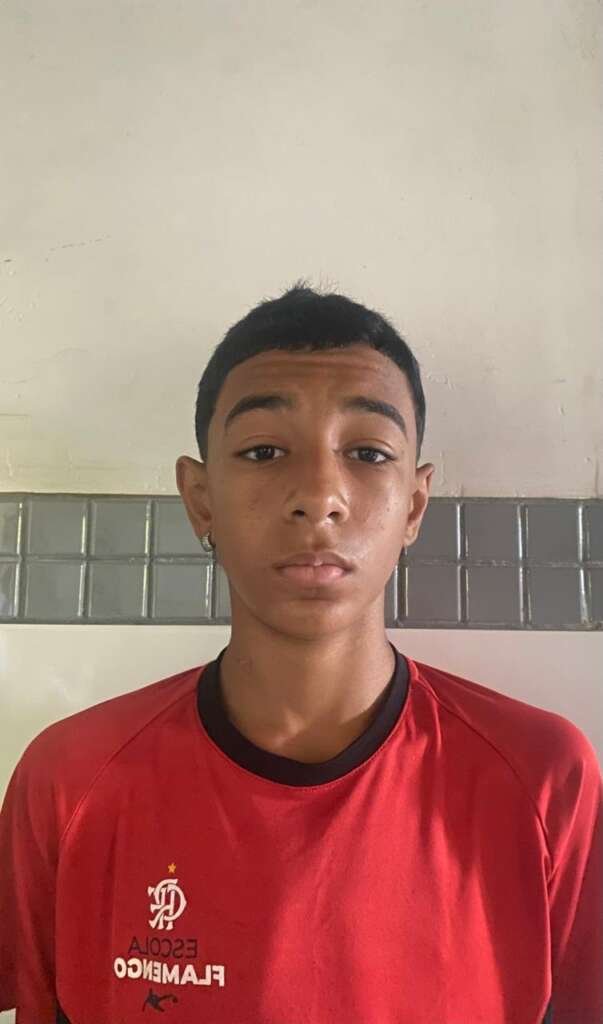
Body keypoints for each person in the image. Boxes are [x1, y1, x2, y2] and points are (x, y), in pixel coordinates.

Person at [0, 282, 600, 1023]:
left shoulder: (544, 782)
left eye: (367, 452)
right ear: (200, 498)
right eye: (263, 451)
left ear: (413, 506)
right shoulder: (70, 783)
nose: (319, 495)